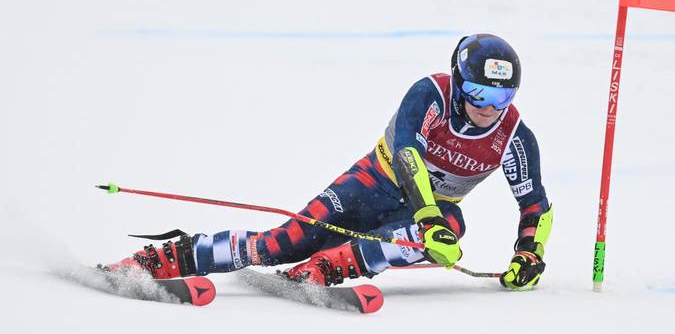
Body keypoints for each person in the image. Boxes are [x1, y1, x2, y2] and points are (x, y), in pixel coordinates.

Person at [107, 34, 552, 291]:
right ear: (459, 81)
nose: (488, 107)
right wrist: (428, 215)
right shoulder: (431, 93)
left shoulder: (512, 134)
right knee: (284, 241)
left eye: (502, 97)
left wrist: (528, 254)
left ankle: (318, 272)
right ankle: (161, 260)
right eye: (479, 93)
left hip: (421, 213)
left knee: (450, 229)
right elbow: (408, 155)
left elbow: (535, 205)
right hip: (373, 182)